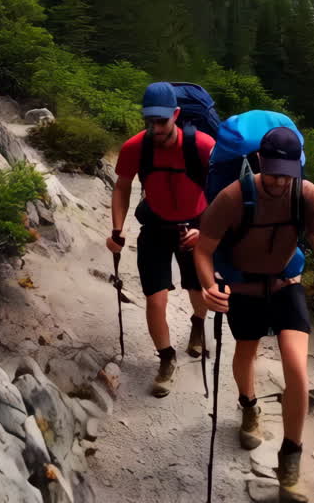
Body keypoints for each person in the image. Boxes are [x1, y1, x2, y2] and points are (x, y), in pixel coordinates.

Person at [194, 127, 314, 503]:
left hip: (286, 285)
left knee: (297, 369)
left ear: (297, 168)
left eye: (287, 173)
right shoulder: (233, 198)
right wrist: (209, 286)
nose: (280, 181)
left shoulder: (307, 196)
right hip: (244, 289)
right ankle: (249, 406)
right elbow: (203, 250)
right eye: (273, 173)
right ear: (259, 164)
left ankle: (290, 459)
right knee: (246, 353)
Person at [107, 82, 216, 397]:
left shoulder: (203, 146)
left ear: (176, 115)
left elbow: (223, 192)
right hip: (155, 226)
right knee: (156, 300)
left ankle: (197, 323)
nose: (155, 127)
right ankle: (166, 359)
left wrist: (207, 230)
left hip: (195, 225)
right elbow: (122, 186)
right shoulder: (135, 148)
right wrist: (117, 228)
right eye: (149, 121)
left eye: (162, 121)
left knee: (199, 292)